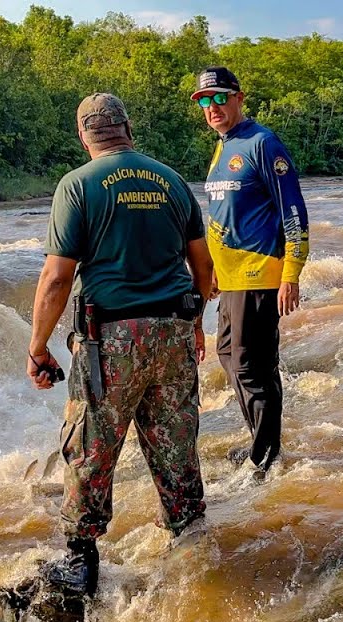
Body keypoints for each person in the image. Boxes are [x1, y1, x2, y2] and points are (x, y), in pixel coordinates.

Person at [27, 93, 214, 596]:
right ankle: (191, 546)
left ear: (83, 134)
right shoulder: (171, 181)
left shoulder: (78, 186)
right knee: (175, 438)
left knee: (91, 443)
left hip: (110, 338)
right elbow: (204, 267)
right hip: (173, 329)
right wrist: (194, 321)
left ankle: (80, 560)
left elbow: (56, 277)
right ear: (128, 129)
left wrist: (38, 347)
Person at [193, 66, 310, 477]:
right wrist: (211, 275)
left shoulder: (264, 143)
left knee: (249, 366)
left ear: (239, 97)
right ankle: (263, 444)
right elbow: (222, 216)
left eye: (220, 97)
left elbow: (292, 210)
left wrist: (291, 272)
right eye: (205, 101)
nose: (212, 107)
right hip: (230, 280)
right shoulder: (222, 148)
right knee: (231, 356)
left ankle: (265, 457)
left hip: (260, 275)